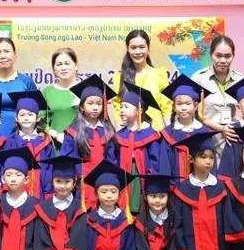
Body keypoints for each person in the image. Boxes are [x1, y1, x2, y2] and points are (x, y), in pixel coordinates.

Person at [171, 132, 232, 250]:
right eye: (203, 157)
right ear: (191, 159)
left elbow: (226, 220)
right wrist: (182, 247)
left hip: (217, 246)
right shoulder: (182, 190)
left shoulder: (220, 187)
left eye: (212, 158)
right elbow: (178, 223)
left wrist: (229, 246)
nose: (208, 161)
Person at [60, 75, 117, 209]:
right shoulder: (73, 131)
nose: (95, 107)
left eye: (99, 103)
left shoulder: (108, 131)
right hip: (80, 185)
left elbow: (112, 160)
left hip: (103, 186)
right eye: (90, 103)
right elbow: (67, 160)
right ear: (81, 107)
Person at [33, 156, 88, 250]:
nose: (63, 186)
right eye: (58, 181)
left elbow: (78, 235)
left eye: (67, 181)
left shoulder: (80, 208)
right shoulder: (43, 207)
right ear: (52, 182)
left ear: (75, 182)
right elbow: (41, 235)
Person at [109, 82, 166, 214]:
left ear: (138, 110)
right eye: (121, 106)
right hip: (123, 178)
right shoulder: (119, 135)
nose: (122, 110)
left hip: (142, 179)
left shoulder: (151, 135)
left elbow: (155, 162)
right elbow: (112, 159)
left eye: (126, 107)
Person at [190, 35, 244, 164]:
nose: (223, 60)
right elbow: (193, 113)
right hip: (206, 137)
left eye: (227, 56)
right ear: (211, 55)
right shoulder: (199, 78)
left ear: (233, 56)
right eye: (218, 55)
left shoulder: (240, 79)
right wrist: (220, 128)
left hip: (231, 137)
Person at [83, 161, 137, 250]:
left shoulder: (126, 220)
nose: (109, 196)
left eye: (113, 191)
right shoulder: (89, 219)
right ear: (96, 194)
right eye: (104, 191)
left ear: (120, 194)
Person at [133, 174, 186, 250]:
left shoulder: (175, 219)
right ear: (146, 197)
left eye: (162, 196)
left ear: (168, 197)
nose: (158, 200)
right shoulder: (140, 221)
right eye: (153, 196)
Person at [111, 29, 171, 130]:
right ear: (128, 49)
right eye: (133, 48)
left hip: (154, 135)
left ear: (148, 48)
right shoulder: (120, 76)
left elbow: (167, 109)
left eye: (142, 47)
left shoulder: (159, 74)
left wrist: (170, 135)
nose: (138, 52)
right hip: (129, 135)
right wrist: (119, 136)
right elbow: (118, 109)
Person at [0, 37, 38, 136]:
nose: (2, 56)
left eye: (6, 51)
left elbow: (37, 111)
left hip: (21, 138)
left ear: (15, 55)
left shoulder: (26, 82)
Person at [159, 75, 211, 182]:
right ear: (174, 107)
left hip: (199, 185)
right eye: (179, 104)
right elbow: (164, 164)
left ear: (196, 106)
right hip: (175, 186)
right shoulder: (168, 133)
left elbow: (210, 160)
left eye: (188, 104)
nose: (183, 108)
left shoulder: (204, 131)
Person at [5, 90, 55, 199]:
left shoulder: (46, 143)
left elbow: (50, 170)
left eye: (30, 114)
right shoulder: (10, 142)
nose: (26, 118)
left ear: (37, 118)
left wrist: (48, 193)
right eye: (22, 115)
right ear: (16, 118)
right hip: (16, 194)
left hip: (41, 192)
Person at [42, 48, 81, 144]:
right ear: (54, 69)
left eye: (67, 63)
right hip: (55, 145)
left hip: (83, 146)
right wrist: (54, 134)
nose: (63, 68)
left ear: (76, 66)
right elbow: (40, 121)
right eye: (59, 64)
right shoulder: (47, 92)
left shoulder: (86, 90)